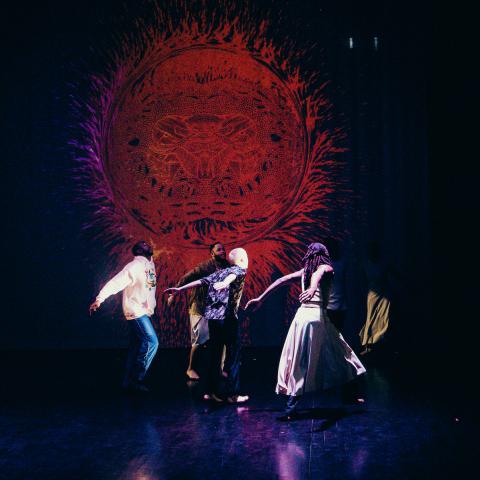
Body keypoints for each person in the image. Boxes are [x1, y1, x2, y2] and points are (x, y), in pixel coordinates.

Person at [246, 243, 366, 420]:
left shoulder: (304, 272)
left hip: (301, 318)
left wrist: (261, 298)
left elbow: (281, 281)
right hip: (316, 318)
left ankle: (292, 408)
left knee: (300, 361)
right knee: (341, 354)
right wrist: (312, 288)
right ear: (323, 255)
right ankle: (350, 393)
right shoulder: (325, 267)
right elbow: (318, 274)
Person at [164, 248, 249, 404]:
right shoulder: (239, 270)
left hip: (214, 319)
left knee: (214, 356)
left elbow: (203, 280)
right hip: (228, 319)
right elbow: (233, 276)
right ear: (242, 259)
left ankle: (210, 392)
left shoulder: (221, 271)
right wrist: (225, 283)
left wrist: (180, 289)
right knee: (233, 356)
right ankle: (233, 394)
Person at [89, 240, 158, 393]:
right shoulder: (134, 266)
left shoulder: (149, 264)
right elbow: (116, 282)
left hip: (144, 310)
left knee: (135, 347)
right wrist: (100, 299)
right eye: (145, 245)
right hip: (135, 311)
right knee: (152, 341)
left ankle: (127, 381)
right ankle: (136, 378)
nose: (149, 245)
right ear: (139, 251)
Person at [167, 242, 229, 380]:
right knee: (200, 340)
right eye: (219, 250)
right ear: (212, 253)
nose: (223, 251)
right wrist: (174, 293)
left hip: (216, 308)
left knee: (221, 340)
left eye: (223, 249)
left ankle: (219, 369)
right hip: (200, 307)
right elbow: (187, 277)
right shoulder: (205, 266)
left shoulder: (227, 267)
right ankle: (191, 368)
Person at [358, 241, 393, 355]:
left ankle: (379, 343)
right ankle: (367, 344)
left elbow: (392, 274)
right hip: (372, 294)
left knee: (383, 318)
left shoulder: (383, 263)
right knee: (370, 318)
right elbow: (363, 280)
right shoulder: (366, 264)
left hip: (384, 294)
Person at [325, 238, 348, 333]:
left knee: (334, 336)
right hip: (330, 306)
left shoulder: (341, 263)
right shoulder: (325, 265)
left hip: (338, 306)